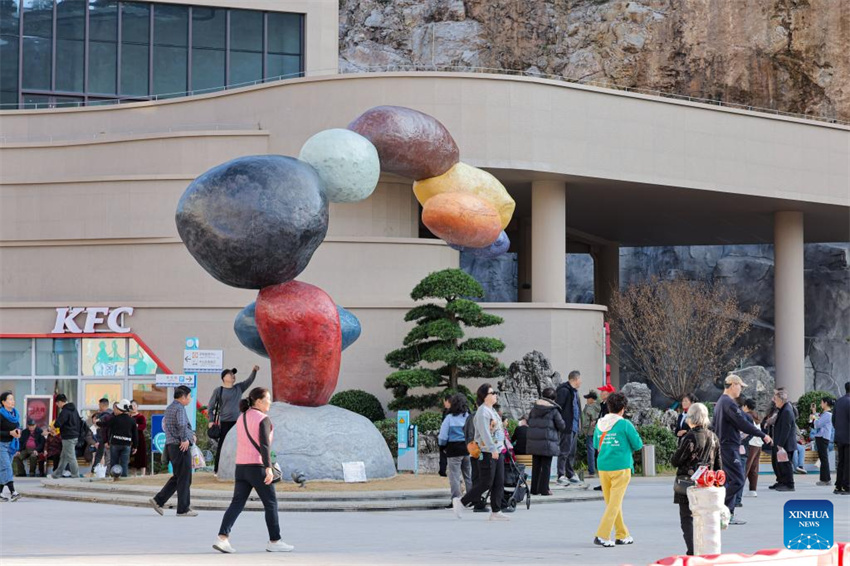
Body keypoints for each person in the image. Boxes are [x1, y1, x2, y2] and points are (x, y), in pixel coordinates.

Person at [213, 387, 293, 554]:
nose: (270, 402)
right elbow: (264, 445)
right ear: (258, 401)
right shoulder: (263, 419)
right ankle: (275, 541)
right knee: (270, 503)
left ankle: (222, 538)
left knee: (236, 503)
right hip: (257, 467)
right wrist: (268, 468)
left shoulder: (241, 417)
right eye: (267, 399)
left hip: (241, 467)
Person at [711, 374, 771, 524]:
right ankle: (720, 509)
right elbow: (742, 424)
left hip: (724, 446)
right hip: (729, 447)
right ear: (733, 385)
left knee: (730, 480)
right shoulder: (728, 403)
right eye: (740, 386)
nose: (741, 389)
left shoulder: (721, 402)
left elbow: (735, 421)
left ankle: (727, 514)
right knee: (738, 480)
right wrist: (762, 435)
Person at [670, 403, 721, 556]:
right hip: (707, 484)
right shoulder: (713, 436)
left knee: (687, 518)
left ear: (691, 418)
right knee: (706, 519)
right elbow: (718, 464)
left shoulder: (690, 436)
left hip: (688, 484)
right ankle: (706, 549)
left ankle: (693, 551)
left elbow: (676, 460)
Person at [592, 392, 643, 548]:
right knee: (614, 504)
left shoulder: (600, 424)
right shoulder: (625, 424)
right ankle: (602, 535)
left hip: (603, 467)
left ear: (608, 406)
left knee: (612, 503)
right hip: (621, 467)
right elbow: (638, 444)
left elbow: (595, 445)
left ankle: (622, 534)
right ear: (623, 408)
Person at [452, 383, 509, 521]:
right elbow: (484, 433)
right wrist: (492, 449)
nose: (495, 395)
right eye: (492, 393)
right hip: (487, 451)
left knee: (498, 482)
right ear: (485, 396)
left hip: (498, 450)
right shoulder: (483, 412)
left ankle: (496, 511)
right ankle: (461, 502)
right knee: (486, 483)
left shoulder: (492, 410)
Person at [150, 385, 197, 517]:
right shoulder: (179, 408)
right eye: (189, 396)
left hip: (172, 446)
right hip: (180, 446)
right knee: (185, 478)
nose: (190, 399)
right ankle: (183, 509)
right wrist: (185, 439)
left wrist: (190, 435)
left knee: (178, 477)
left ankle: (158, 500)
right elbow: (181, 424)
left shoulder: (170, 407)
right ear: (183, 397)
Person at [209, 366, 259, 476]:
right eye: (230, 374)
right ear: (224, 378)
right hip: (225, 423)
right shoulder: (219, 390)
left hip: (239, 422)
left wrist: (254, 371)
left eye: (233, 375)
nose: (233, 376)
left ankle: (240, 469)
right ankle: (217, 469)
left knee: (242, 445)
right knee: (222, 446)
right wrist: (211, 421)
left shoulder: (239, 388)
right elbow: (211, 407)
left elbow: (249, 381)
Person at [526, 387, 565, 496]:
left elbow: (529, 421)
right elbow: (562, 425)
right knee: (546, 466)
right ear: (553, 398)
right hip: (548, 442)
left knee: (536, 465)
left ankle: (534, 489)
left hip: (535, 442)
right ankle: (544, 489)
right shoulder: (553, 410)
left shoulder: (534, 408)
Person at [438, 394, 472, 504]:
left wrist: (442, 446)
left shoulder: (449, 418)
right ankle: (471, 498)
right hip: (467, 449)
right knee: (468, 475)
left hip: (453, 450)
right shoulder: (468, 417)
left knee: (454, 476)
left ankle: (456, 500)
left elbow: (443, 436)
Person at [555, 370, 583, 485]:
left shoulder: (575, 392)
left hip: (574, 426)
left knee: (571, 452)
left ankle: (570, 474)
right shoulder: (564, 391)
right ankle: (561, 475)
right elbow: (558, 408)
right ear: (575, 379)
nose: (581, 382)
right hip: (566, 426)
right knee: (564, 451)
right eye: (580, 379)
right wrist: (561, 424)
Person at [770, 389, 796, 491]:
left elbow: (786, 429)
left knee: (786, 464)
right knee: (779, 464)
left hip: (786, 444)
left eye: (775, 399)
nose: (774, 401)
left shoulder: (787, 411)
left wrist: (780, 444)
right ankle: (781, 482)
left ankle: (789, 484)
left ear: (781, 400)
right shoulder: (783, 409)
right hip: (781, 442)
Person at [51, 393, 83, 480]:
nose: (57, 405)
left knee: (71, 457)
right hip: (74, 435)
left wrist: (51, 428)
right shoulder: (74, 409)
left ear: (60, 402)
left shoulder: (65, 411)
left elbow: (58, 423)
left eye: (57, 403)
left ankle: (76, 476)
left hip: (68, 437)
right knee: (64, 457)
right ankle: (56, 474)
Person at [0, 391, 22, 502]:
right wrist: (10, 433)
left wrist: (18, 432)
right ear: (3, 402)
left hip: (11, 445)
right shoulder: (0, 414)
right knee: (7, 467)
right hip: (1, 445)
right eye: (10, 399)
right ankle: (13, 492)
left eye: (13, 399)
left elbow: (18, 426)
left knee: (3, 469)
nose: (12, 401)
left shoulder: (15, 414)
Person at [593, 384, 616, 491]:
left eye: (603, 392)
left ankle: (607, 483)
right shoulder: (604, 404)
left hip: (606, 436)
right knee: (602, 459)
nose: (600, 393)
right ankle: (604, 482)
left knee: (605, 458)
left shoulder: (610, 406)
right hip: (603, 434)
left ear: (608, 393)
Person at [108, 400, 138, 478]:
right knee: (124, 463)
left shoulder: (115, 419)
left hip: (115, 443)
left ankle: (114, 477)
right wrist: (135, 446)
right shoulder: (132, 420)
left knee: (114, 462)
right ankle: (124, 478)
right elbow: (135, 434)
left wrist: (97, 422)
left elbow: (107, 426)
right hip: (126, 444)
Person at [810, 397, 834, 487]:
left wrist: (814, 414)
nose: (821, 404)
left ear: (825, 403)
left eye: (821, 402)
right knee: (823, 458)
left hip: (823, 437)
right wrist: (814, 412)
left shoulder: (827, 414)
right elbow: (816, 423)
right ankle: (825, 479)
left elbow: (817, 424)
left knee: (823, 459)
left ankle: (825, 479)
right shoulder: (825, 414)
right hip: (822, 437)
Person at [741, 399, 762, 497]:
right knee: (754, 467)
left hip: (750, 443)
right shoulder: (756, 415)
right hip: (758, 444)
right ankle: (753, 490)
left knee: (745, 467)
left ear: (745, 406)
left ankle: (739, 490)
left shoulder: (747, 416)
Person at [833, 382, 850, 495]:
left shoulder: (838, 401)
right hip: (849, 437)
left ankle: (838, 486)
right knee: (848, 463)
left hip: (839, 436)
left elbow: (833, 420)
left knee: (841, 462)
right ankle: (847, 486)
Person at [90, 398, 113, 472]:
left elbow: (97, 422)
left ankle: (103, 472)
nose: (99, 406)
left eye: (99, 405)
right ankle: (99, 471)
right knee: (102, 455)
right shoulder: (110, 413)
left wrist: (98, 419)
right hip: (104, 437)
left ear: (102, 405)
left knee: (103, 456)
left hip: (104, 437)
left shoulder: (106, 414)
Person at [582, 391, 601, 477]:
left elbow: (586, 421)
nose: (586, 400)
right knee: (600, 450)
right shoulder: (600, 406)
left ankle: (591, 471)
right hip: (600, 430)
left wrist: (584, 431)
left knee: (590, 451)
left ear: (591, 399)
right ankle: (601, 469)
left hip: (591, 431)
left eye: (588, 398)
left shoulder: (589, 407)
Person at [129, 400, 148, 475]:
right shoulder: (128, 417)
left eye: (134, 405)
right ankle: (134, 474)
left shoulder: (141, 417)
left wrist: (136, 426)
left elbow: (143, 426)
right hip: (130, 439)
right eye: (131, 406)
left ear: (137, 407)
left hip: (140, 438)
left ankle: (143, 474)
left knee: (142, 456)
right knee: (132, 457)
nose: (133, 407)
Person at [438, 394, 452, 477]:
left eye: (444, 401)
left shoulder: (448, 412)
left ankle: (443, 470)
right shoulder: (448, 411)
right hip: (450, 437)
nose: (444, 403)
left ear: (447, 401)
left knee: (444, 454)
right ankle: (442, 470)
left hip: (448, 437)